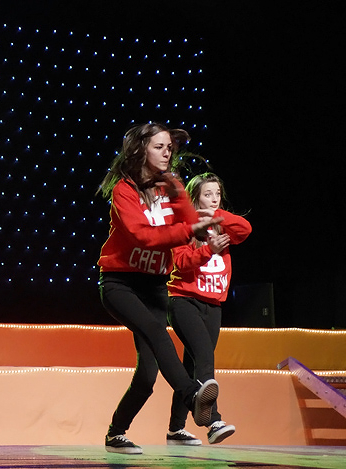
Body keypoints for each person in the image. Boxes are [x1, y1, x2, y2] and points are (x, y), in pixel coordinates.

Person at [96, 123, 222, 455]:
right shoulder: (124, 190)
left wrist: (195, 222)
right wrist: (190, 230)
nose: (167, 153)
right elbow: (142, 236)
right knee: (156, 331)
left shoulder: (172, 186)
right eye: (159, 147)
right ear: (141, 149)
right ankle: (192, 397)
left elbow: (190, 222)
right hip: (120, 283)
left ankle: (116, 433)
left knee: (148, 374)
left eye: (169, 148)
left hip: (154, 285)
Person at [165, 172, 251, 446]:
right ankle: (213, 422)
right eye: (207, 194)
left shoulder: (222, 224)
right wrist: (208, 250)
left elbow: (245, 229)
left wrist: (217, 216)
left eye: (217, 194)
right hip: (183, 301)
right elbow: (180, 263)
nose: (214, 199)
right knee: (204, 357)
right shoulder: (184, 226)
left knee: (192, 366)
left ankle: (176, 429)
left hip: (213, 305)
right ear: (195, 198)